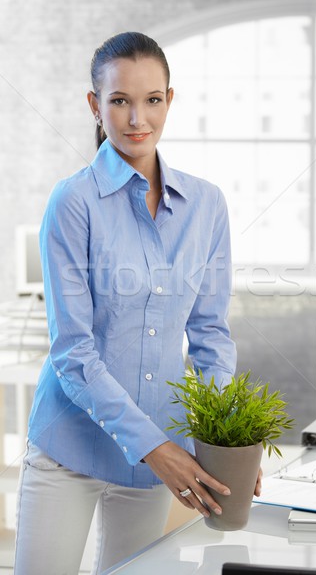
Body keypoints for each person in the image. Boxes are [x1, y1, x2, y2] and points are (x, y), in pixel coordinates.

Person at [14, 31, 260, 575]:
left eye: (152, 100)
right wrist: (157, 447)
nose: (136, 118)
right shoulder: (73, 202)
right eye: (119, 100)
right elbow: (73, 352)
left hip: (153, 464)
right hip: (69, 449)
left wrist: (225, 439)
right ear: (95, 106)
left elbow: (211, 336)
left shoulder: (207, 205)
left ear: (170, 100)